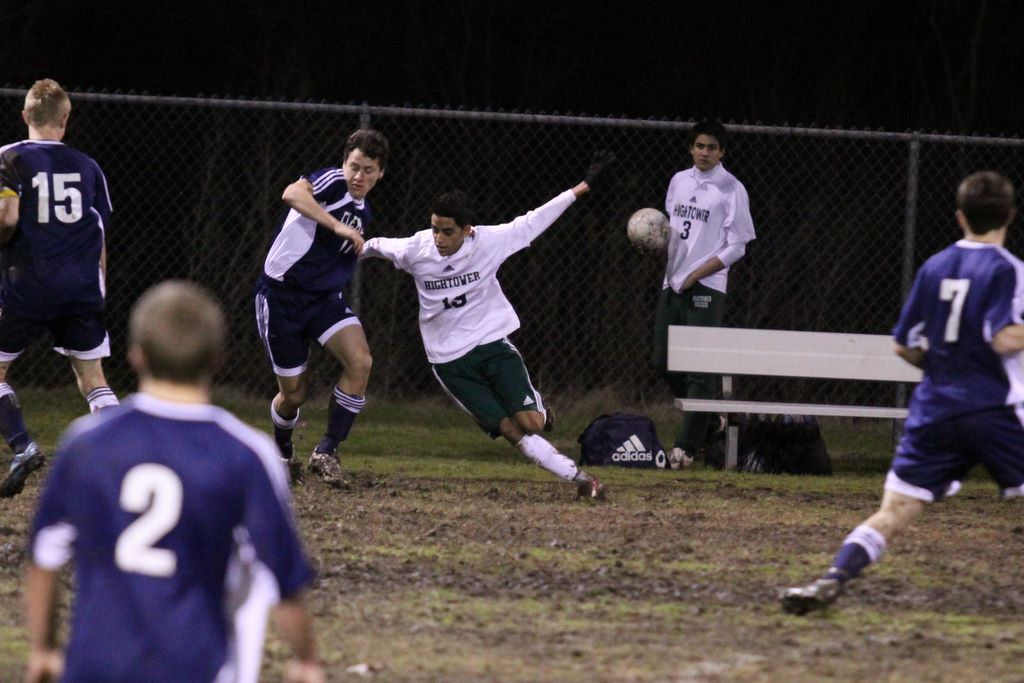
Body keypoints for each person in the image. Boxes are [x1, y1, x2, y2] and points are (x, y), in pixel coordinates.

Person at [24, 280, 324, 683]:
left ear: (136, 355)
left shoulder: (87, 442)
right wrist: (306, 660)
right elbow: (283, 577)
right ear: (217, 359)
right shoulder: (245, 453)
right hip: (198, 665)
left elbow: (44, 553)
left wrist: (43, 649)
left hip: (97, 666)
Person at [781, 171, 1024, 615]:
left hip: (935, 411)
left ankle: (832, 578)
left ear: (960, 217)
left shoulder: (935, 266)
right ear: (1009, 215)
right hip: (993, 410)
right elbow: (1003, 336)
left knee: (894, 511)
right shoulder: (1007, 268)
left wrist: (941, 367)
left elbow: (903, 345)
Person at [361, 151, 615, 499]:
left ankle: (542, 413)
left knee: (531, 423)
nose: (438, 238)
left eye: (447, 231)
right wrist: (343, 243)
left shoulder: (489, 242)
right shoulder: (415, 250)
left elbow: (534, 220)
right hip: (448, 361)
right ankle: (583, 480)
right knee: (510, 430)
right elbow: (373, 246)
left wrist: (581, 188)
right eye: (434, 228)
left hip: (491, 344)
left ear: (467, 230)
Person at [0, 79, 119, 498]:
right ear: (66, 118)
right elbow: (99, 233)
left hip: (27, 283)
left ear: (25, 116)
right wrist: (99, 288)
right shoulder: (89, 167)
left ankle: (23, 445)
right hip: (81, 287)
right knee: (93, 379)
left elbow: (7, 218)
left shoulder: (9, 157)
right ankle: (125, 461)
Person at [255, 128, 389, 487]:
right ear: (344, 164)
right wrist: (335, 226)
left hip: (323, 300)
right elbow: (292, 193)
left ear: (380, 174)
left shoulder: (364, 213)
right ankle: (282, 449)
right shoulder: (332, 182)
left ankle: (326, 451)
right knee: (293, 395)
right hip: (281, 298)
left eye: (368, 170)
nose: (359, 176)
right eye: (354, 166)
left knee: (361, 361)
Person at [652, 119, 756, 470]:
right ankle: (710, 418)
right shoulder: (679, 181)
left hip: (706, 287)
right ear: (691, 148)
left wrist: (697, 273)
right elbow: (673, 229)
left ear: (722, 151)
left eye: (712, 147)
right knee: (663, 362)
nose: (705, 152)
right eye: (700, 146)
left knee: (699, 372)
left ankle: (685, 449)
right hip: (672, 283)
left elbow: (737, 246)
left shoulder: (731, 189)